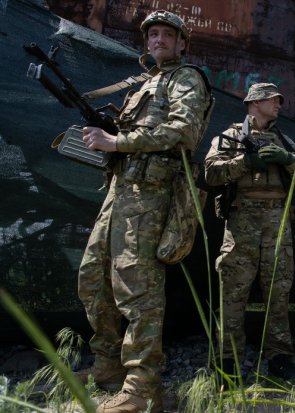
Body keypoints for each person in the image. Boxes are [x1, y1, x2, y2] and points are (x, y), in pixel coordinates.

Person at [76, 10, 212, 413]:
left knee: (138, 290)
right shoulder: (144, 84)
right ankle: (107, 368)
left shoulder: (186, 78)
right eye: (152, 34)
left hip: (151, 196)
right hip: (120, 190)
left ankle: (142, 386)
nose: (158, 40)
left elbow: (184, 131)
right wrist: (111, 140)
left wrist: (117, 143)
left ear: (182, 42)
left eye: (167, 34)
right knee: (93, 277)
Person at [204, 83, 295, 382]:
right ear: (253, 103)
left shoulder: (285, 141)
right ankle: (228, 361)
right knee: (232, 293)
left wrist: (288, 161)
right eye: (271, 100)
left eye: (278, 100)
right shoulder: (231, 136)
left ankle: (279, 357)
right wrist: (245, 162)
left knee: (278, 292)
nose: (278, 105)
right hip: (241, 221)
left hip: (278, 222)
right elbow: (211, 173)